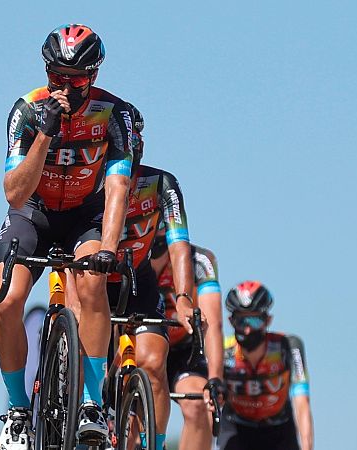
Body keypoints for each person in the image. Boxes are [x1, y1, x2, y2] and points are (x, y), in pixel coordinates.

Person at [0, 24, 134, 450]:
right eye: (57, 77)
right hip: (35, 212)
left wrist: (108, 249)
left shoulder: (115, 114)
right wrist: (46, 135)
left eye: (75, 79)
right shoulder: (27, 110)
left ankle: (92, 405)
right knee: (7, 299)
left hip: (86, 215)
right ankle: (18, 413)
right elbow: (15, 192)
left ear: (93, 76)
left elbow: (119, 188)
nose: (65, 87)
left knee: (92, 284)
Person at [102, 104, 196, 450]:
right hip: (94, 280)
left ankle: (154, 444)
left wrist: (184, 298)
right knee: (88, 361)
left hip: (137, 279)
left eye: (136, 137)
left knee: (154, 363)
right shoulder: (94, 180)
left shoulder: (162, 184)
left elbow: (179, 244)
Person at [218, 281, 314, 450]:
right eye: (240, 321)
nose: (247, 330)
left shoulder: (288, 347)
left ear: (268, 320)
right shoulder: (223, 351)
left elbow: (302, 402)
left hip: (279, 427)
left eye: (254, 321)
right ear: (230, 321)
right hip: (237, 426)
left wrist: (307, 446)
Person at [154, 233, 224, 450]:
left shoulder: (200, 261)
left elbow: (213, 324)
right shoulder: (133, 250)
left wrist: (215, 379)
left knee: (198, 406)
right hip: (139, 341)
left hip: (182, 348)